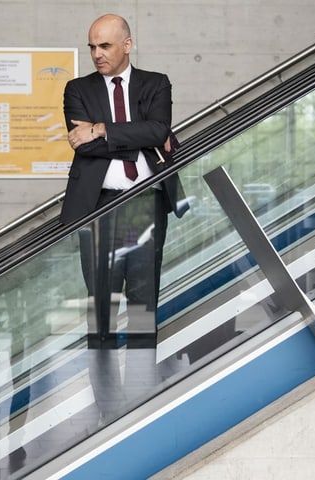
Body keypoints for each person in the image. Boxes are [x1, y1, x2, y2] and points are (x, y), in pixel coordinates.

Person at [60, 14, 186, 345]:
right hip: (98, 206)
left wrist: (101, 129)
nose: (97, 54)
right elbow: (82, 146)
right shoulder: (77, 89)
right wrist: (140, 138)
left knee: (144, 299)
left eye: (105, 45)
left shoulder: (156, 83)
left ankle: (142, 389)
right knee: (101, 302)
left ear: (127, 45)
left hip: (146, 201)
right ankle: (102, 389)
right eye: (92, 47)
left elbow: (158, 129)